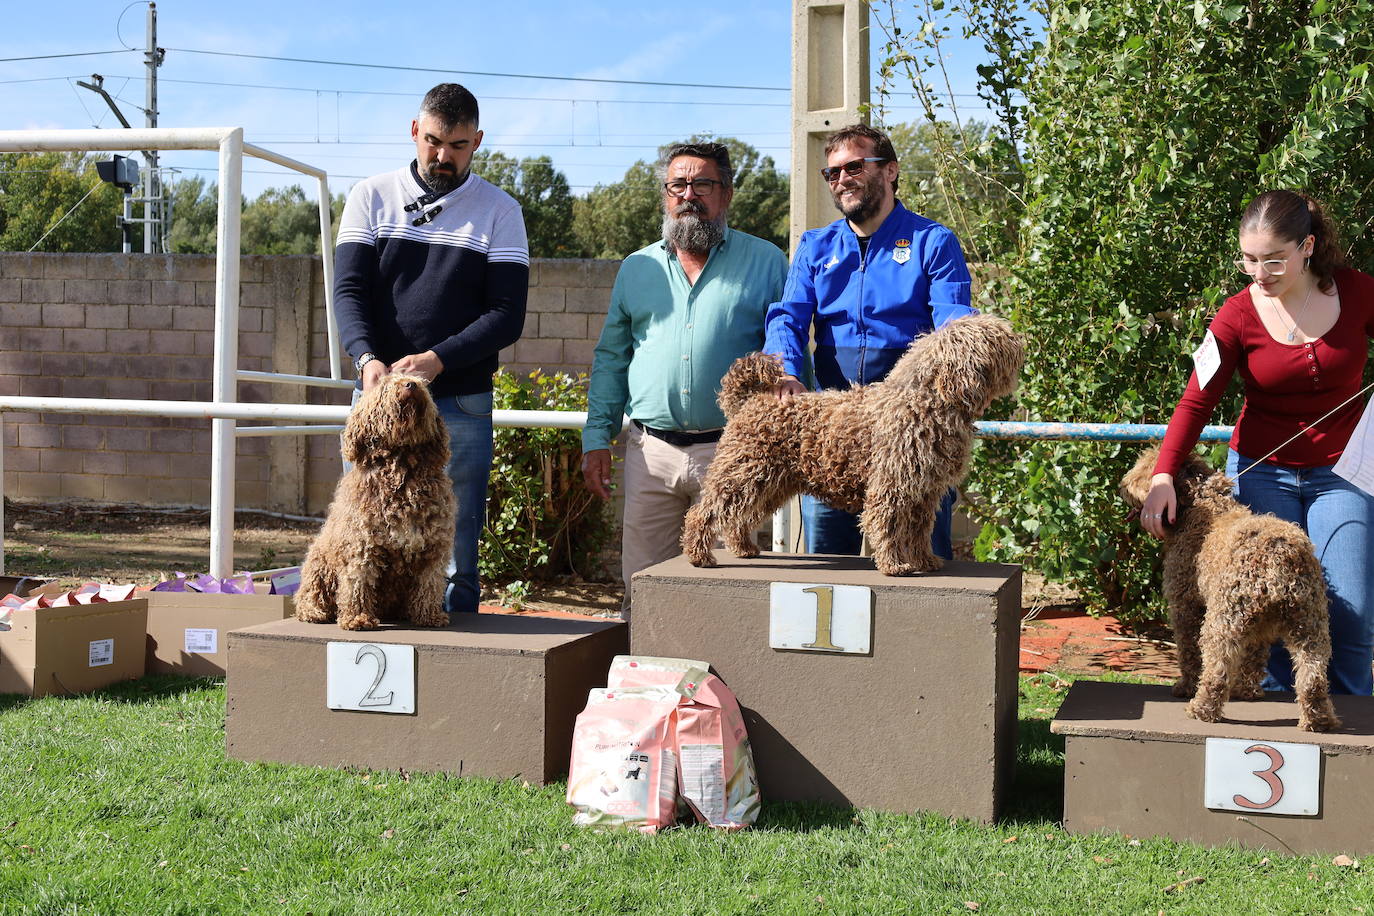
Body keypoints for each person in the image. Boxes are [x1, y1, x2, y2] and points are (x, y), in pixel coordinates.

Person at [1141, 189, 1374, 696]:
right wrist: (1163, 474)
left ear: (1307, 246)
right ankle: (1269, 723)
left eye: (1273, 260)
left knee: (1350, 614)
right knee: (1261, 611)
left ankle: (1352, 741)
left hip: (1343, 475)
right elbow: (1195, 402)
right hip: (1260, 472)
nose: (1259, 273)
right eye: (1248, 260)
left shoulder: (1358, 292)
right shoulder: (1236, 314)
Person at [333, 83, 528, 616]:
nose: (444, 156)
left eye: (459, 145)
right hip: (376, 396)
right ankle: (359, 628)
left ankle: (458, 639)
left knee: (458, 534)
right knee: (362, 529)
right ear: (414, 131)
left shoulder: (500, 211)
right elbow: (348, 291)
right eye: (435, 141)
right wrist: (366, 359)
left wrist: (437, 361)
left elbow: (507, 315)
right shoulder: (369, 196)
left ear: (478, 141)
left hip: (460, 399)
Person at [581, 141, 788, 609]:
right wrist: (597, 436)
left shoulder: (768, 262)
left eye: (702, 184)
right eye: (678, 185)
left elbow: (788, 352)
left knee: (723, 596)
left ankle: (716, 684)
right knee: (642, 590)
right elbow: (612, 356)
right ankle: (645, 680)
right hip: (649, 454)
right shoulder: (637, 268)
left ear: (727, 193)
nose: (688, 195)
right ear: (665, 194)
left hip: (732, 452)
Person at [764, 123, 975, 558]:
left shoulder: (932, 242)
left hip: (913, 431)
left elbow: (955, 326)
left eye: (854, 167)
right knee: (829, 572)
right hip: (834, 432)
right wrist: (786, 370)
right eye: (832, 173)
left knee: (917, 560)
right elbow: (788, 316)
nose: (841, 180)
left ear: (891, 170)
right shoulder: (816, 246)